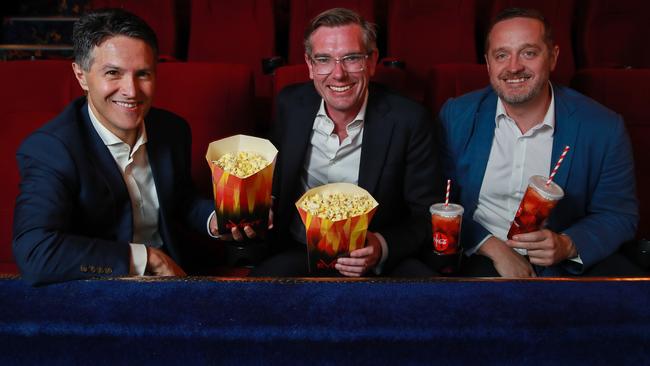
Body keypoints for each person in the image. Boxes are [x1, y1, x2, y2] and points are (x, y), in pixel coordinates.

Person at [12, 9, 218, 285]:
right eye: (113, 73)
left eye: (143, 74)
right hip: (98, 288)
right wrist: (147, 258)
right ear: (81, 75)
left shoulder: (173, 130)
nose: (131, 91)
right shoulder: (51, 149)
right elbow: (36, 253)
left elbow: (180, 200)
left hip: (173, 281)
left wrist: (217, 219)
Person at [439, 8, 640, 277]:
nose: (514, 67)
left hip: (562, 263)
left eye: (529, 53)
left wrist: (568, 245)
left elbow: (619, 214)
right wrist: (494, 248)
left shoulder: (603, 127)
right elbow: (441, 200)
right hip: (482, 255)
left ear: (553, 57)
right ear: (488, 64)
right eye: (502, 55)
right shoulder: (457, 116)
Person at [243, 8, 442, 277]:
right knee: (253, 292)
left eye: (351, 58)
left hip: (373, 260)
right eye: (324, 60)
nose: (338, 74)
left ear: (372, 62)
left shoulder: (409, 120)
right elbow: (273, 182)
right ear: (311, 66)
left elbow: (427, 215)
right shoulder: (290, 104)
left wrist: (380, 246)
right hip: (298, 250)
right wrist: (262, 204)